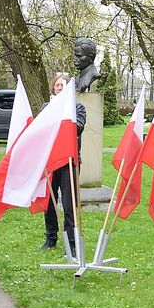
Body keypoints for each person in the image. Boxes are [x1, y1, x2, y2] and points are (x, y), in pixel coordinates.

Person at [42, 73, 86, 254]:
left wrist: (64, 114)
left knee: (69, 203)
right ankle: (50, 238)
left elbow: (78, 127)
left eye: (63, 85)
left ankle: (72, 242)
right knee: (49, 202)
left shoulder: (78, 108)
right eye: (57, 85)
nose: (59, 88)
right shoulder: (46, 107)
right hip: (50, 161)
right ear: (53, 87)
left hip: (69, 161)